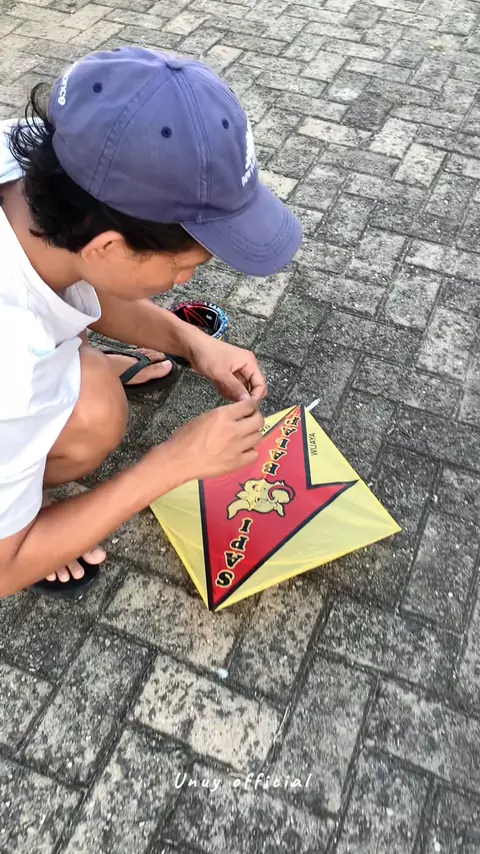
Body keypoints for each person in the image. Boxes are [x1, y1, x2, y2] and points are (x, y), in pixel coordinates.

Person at [0, 46, 302, 600]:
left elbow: (78, 269)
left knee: (87, 391)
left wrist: (190, 342)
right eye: (185, 266)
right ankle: (19, 511)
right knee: (95, 417)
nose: (187, 280)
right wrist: (173, 463)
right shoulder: (12, 359)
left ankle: (68, 363)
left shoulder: (43, 163)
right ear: (109, 247)